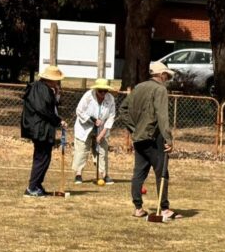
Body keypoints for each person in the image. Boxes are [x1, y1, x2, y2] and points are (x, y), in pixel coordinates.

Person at [118, 61, 180, 219]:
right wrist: (168, 138)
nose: (167, 77)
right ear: (161, 75)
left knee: (139, 173)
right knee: (162, 172)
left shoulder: (138, 87)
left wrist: (134, 128)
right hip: (154, 138)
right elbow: (162, 115)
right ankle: (164, 208)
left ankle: (138, 208)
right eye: (166, 75)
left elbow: (122, 109)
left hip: (139, 138)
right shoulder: (160, 89)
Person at [20, 65, 67, 197]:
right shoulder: (40, 89)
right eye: (56, 79)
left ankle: (37, 185)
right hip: (40, 128)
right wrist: (58, 121)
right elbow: (43, 110)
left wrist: (57, 94)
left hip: (43, 128)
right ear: (50, 79)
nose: (58, 82)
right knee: (41, 157)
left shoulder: (45, 89)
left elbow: (50, 107)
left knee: (45, 157)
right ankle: (32, 187)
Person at [73, 78, 116, 184]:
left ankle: (104, 174)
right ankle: (78, 174)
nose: (103, 93)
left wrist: (101, 134)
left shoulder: (110, 99)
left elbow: (111, 117)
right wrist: (92, 119)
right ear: (96, 89)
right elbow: (79, 110)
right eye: (100, 90)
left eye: (105, 91)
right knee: (82, 150)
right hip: (84, 127)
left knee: (102, 151)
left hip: (102, 129)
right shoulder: (88, 96)